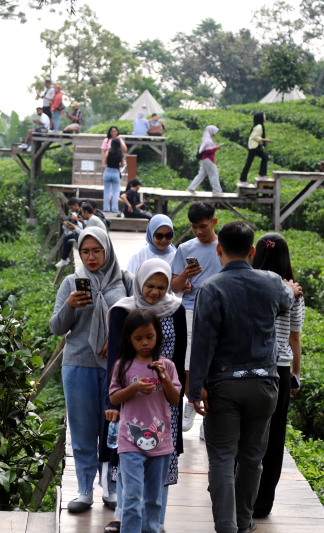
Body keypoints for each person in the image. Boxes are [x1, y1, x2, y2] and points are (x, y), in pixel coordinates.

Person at [187, 221, 299, 533]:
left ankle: (226, 526)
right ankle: (243, 521)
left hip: (225, 385)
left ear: (218, 249)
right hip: (265, 384)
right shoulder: (272, 283)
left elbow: (203, 343)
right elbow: (286, 301)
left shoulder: (211, 288)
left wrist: (195, 389)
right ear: (251, 251)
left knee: (223, 458)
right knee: (252, 458)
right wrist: (286, 288)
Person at [50, 227, 134, 513]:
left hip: (116, 368)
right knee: (83, 428)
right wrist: (70, 307)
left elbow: (140, 322)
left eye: (96, 250)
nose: (91, 256)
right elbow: (56, 328)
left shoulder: (125, 281)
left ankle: (109, 487)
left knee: (112, 428)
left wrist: (118, 339)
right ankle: (85, 488)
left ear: (107, 249)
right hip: (78, 365)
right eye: (85, 252)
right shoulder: (72, 282)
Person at [105, 260, 187, 533]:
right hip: (130, 440)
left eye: (150, 337)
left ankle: (152, 529)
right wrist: (134, 388)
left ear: (157, 337)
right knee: (132, 496)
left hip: (161, 441)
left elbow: (176, 400)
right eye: (138, 338)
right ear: (129, 339)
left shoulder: (168, 366)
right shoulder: (123, 366)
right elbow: (115, 397)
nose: (144, 343)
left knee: (153, 498)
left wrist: (165, 380)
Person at [251, 233, 305, 519]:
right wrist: (296, 372)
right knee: (274, 438)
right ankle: (263, 503)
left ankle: (240, 496)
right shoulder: (294, 293)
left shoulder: (250, 287)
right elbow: (295, 337)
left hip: (250, 367)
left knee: (247, 435)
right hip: (279, 371)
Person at [170, 202, 220, 440]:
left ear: (214, 222)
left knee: (215, 363)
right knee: (189, 361)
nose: (199, 232)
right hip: (189, 308)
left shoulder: (224, 248)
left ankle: (208, 415)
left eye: (203, 226)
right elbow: (175, 287)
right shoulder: (185, 248)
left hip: (218, 312)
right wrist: (184, 276)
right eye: (194, 227)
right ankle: (192, 401)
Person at [187, 126, 224, 195]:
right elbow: (208, 151)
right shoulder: (208, 140)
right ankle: (217, 191)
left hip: (204, 159)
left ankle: (191, 188)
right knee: (214, 174)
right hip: (207, 159)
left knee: (201, 174)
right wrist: (217, 148)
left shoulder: (206, 138)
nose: (215, 134)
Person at [239, 112, 272, 184]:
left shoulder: (258, 126)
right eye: (264, 116)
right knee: (249, 163)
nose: (265, 117)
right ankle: (242, 180)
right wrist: (265, 140)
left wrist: (261, 144)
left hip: (255, 146)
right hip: (254, 147)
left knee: (264, 158)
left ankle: (262, 174)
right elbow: (255, 136)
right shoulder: (259, 126)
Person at [102, 127, 127, 213]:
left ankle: (106, 208)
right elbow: (122, 165)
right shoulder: (120, 154)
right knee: (116, 192)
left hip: (108, 171)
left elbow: (105, 162)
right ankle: (115, 209)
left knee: (106, 191)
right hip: (116, 172)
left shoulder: (108, 152)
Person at [55, 198, 85, 269]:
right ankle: (64, 258)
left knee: (67, 237)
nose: (71, 209)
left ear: (76, 205)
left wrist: (73, 224)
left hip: (83, 233)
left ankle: (64, 258)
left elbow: (82, 225)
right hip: (80, 230)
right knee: (66, 237)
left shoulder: (81, 213)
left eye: (71, 207)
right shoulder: (80, 212)